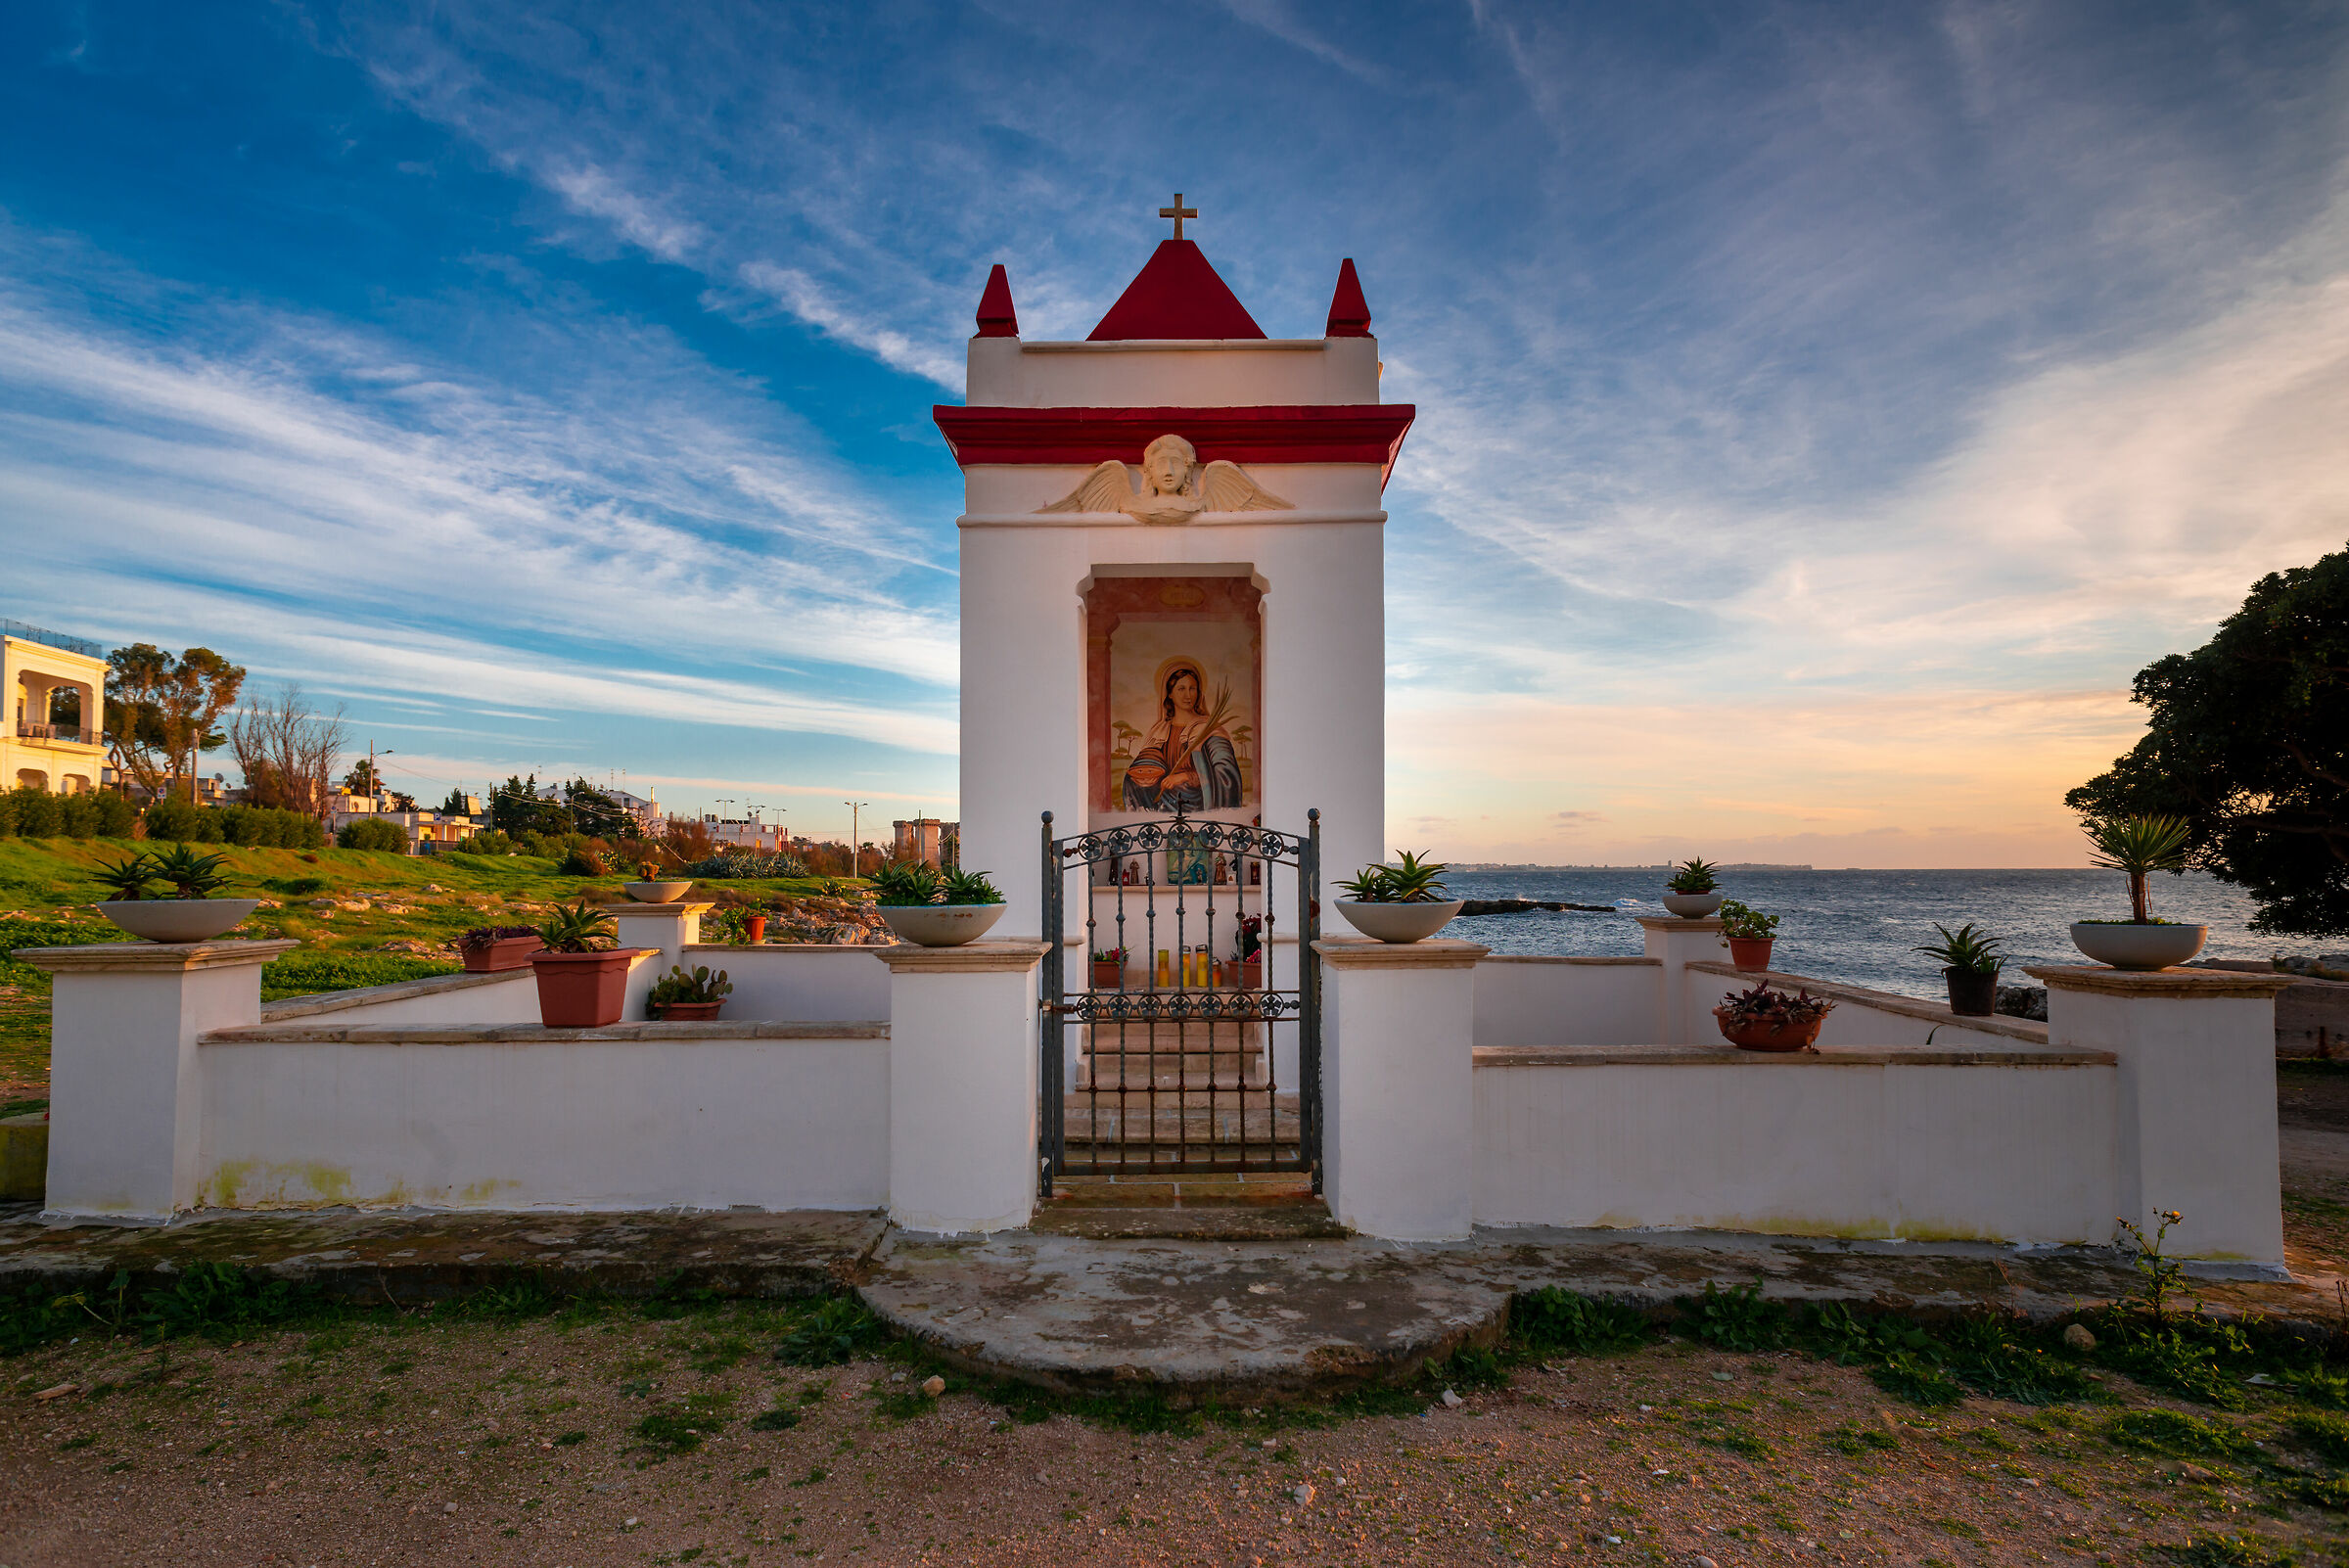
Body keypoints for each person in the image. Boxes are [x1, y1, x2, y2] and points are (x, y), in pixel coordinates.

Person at [1122, 665, 1242, 811]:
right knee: (1131, 781)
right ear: (1170, 694)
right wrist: (1148, 773)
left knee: (1180, 787)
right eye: (1181, 689)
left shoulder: (1209, 729)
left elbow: (1224, 773)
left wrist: (1186, 776)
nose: (1188, 695)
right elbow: (1151, 758)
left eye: (1192, 688)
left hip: (1197, 798)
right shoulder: (1161, 730)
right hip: (1164, 793)